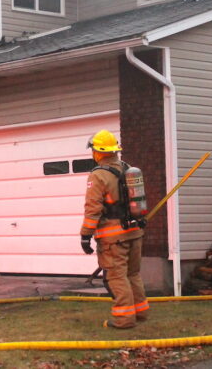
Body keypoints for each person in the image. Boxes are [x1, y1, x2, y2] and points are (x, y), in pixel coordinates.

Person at [80, 129, 149, 329]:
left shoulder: (98, 175)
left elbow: (93, 209)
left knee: (117, 277)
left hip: (113, 238)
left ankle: (124, 319)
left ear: (99, 152)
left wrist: (85, 236)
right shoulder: (128, 169)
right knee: (133, 274)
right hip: (134, 232)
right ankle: (141, 313)